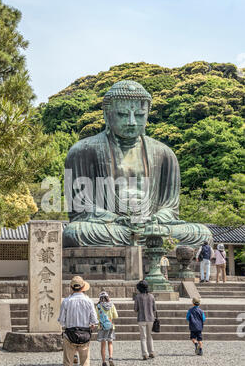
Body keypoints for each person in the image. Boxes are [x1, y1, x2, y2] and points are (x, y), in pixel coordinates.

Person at [63, 80, 212, 248]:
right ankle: (147, 240)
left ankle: (149, 238)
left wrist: (156, 219)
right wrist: (115, 219)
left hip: (153, 227)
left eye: (140, 115)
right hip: (110, 226)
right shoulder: (83, 150)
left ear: (147, 115)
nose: (132, 122)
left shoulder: (164, 154)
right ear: (106, 114)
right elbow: (80, 207)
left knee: (201, 233)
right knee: (74, 232)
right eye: (122, 114)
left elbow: (170, 208)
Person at [58, 276, 98, 366]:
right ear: (83, 287)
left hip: (69, 334)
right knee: (85, 363)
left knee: (67, 363)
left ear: (71, 287)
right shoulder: (88, 301)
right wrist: (90, 325)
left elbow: (61, 321)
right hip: (85, 334)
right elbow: (94, 320)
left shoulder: (66, 301)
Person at [134, 280, 156, 360]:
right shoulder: (151, 296)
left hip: (141, 318)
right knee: (150, 336)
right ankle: (152, 352)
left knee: (143, 337)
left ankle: (145, 353)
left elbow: (135, 309)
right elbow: (154, 308)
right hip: (150, 318)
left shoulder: (138, 296)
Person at [96, 291, 118, 366]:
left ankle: (104, 362)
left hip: (102, 327)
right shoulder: (112, 305)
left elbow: (96, 317)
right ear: (107, 297)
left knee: (103, 344)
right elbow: (116, 316)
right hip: (111, 326)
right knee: (110, 342)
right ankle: (111, 357)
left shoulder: (98, 306)